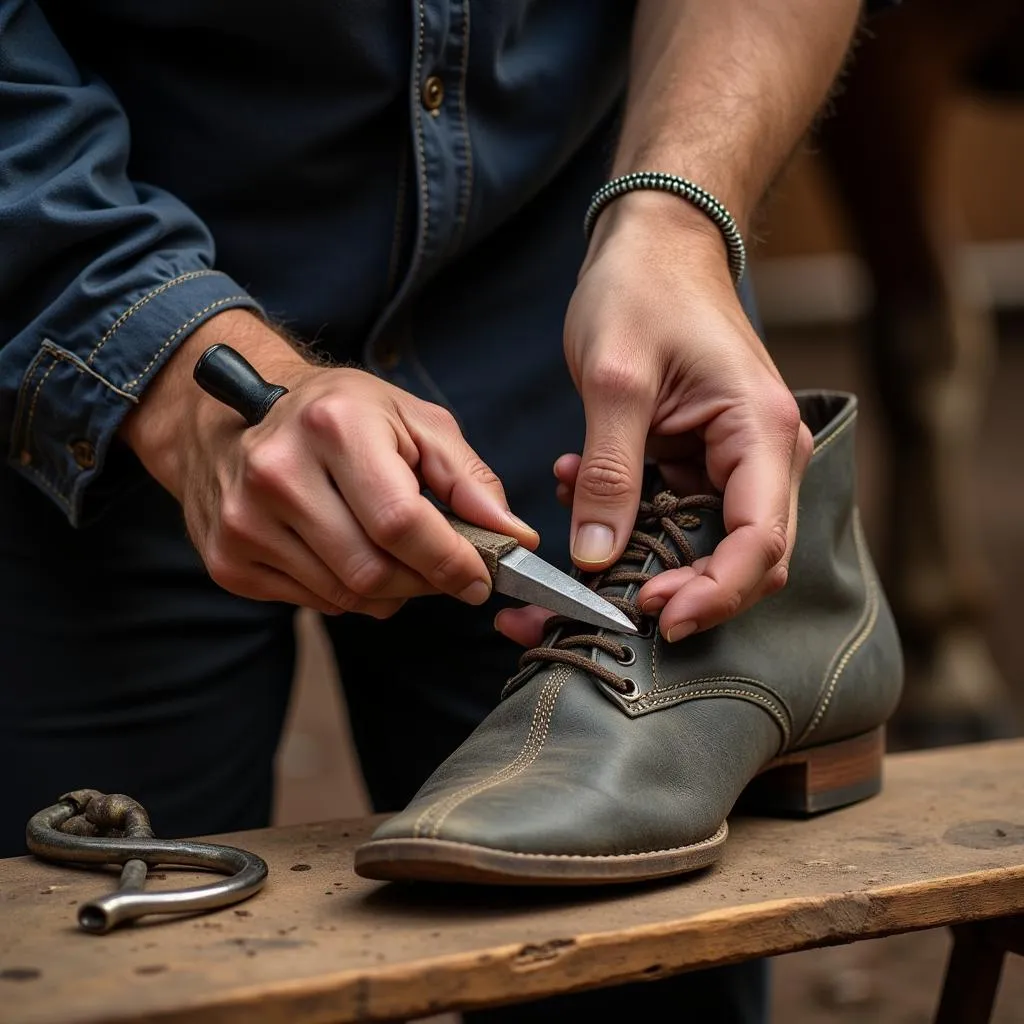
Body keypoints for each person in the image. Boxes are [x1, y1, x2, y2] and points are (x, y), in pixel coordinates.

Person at [0, 2, 893, 1020]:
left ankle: (811, 653)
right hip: (77, 343)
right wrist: (155, 360)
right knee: (98, 968)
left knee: (628, 980)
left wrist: (676, 211)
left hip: (580, 319)